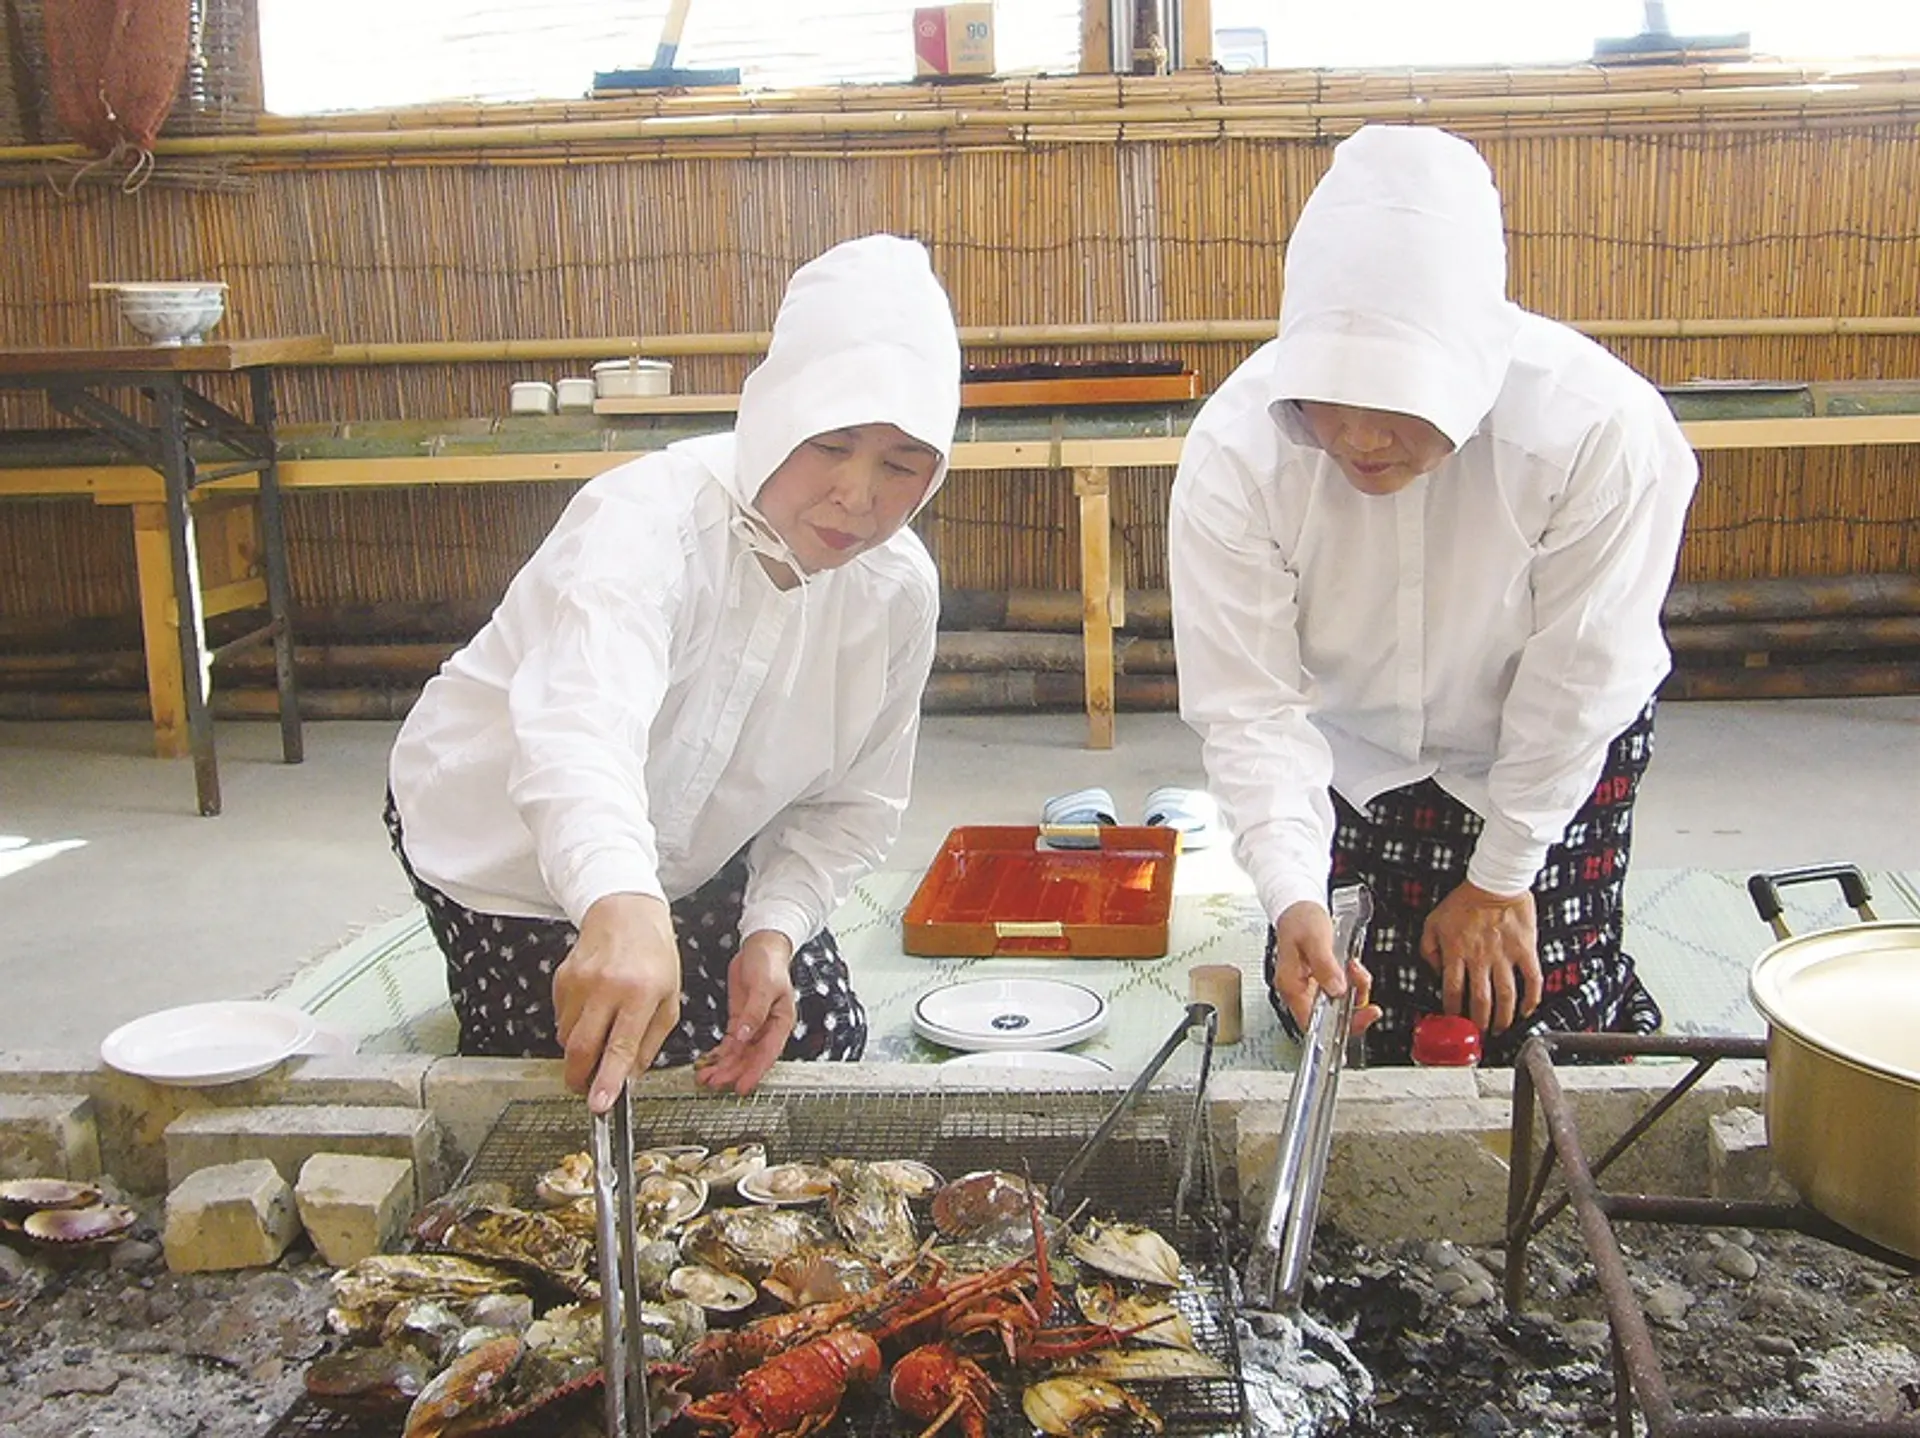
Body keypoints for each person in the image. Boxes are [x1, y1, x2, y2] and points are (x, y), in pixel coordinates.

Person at [386, 234, 961, 1108]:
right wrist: (619, 904)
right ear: (775, 415)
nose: (856, 494)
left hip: (696, 848)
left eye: (900, 464)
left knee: (808, 1043)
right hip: (505, 840)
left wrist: (774, 932)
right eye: (832, 443)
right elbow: (579, 730)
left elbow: (855, 804)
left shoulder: (895, 591)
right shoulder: (647, 518)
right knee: (599, 1064)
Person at [1168, 125, 1698, 1066]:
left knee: (1534, 1023)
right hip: (1358, 755)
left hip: (1546, 742)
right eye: (1333, 396)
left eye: (1402, 399)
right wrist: (1293, 894)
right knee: (1339, 1012)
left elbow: (1580, 678)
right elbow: (1251, 709)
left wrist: (1501, 878)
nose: (1363, 437)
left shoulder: (1599, 431)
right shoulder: (1235, 454)